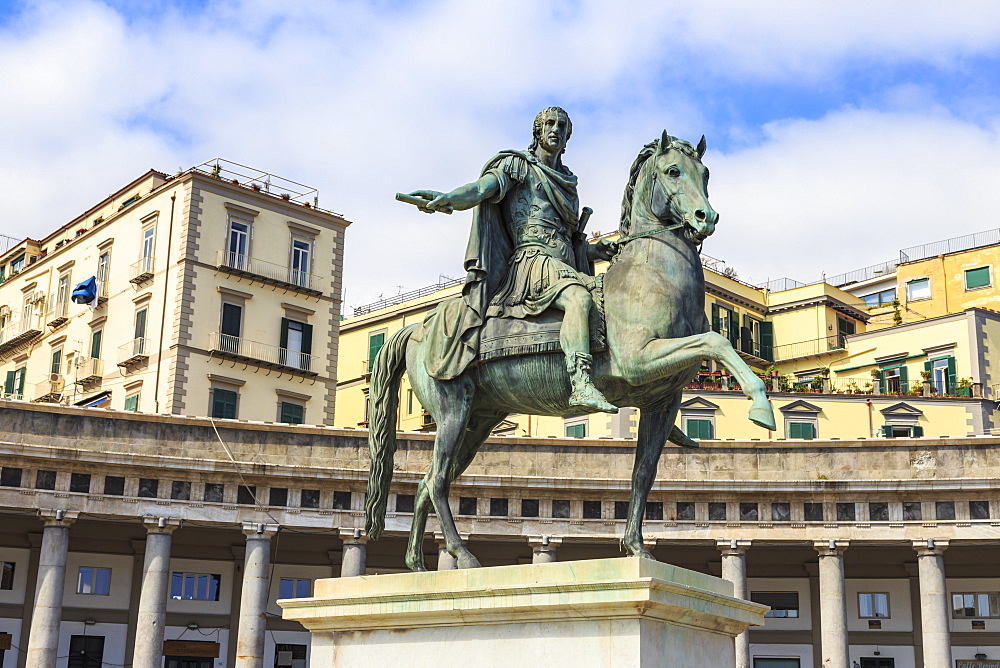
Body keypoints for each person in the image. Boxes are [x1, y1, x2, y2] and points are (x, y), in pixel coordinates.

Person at [407, 107, 617, 413]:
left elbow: (569, 240)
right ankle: (581, 383)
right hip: (533, 263)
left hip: (565, 264)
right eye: (549, 124)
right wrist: (449, 199)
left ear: (568, 136)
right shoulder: (517, 166)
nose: (555, 129)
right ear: (538, 131)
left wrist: (597, 252)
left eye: (561, 126)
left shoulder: (568, 181)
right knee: (578, 300)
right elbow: (481, 190)